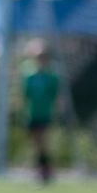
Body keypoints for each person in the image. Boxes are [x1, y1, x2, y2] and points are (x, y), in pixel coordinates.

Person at [21, 40, 62, 184]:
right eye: (39, 57)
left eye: (44, 56)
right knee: (36, 144)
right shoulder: (29, 75)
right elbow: (25, 95)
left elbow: (56, 96)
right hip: (32, 113)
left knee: (43, 142)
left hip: (46, 114)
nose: (41, 60)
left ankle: (45, 171)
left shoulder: (52, 76)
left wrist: (58, 112)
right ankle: (42, 169)